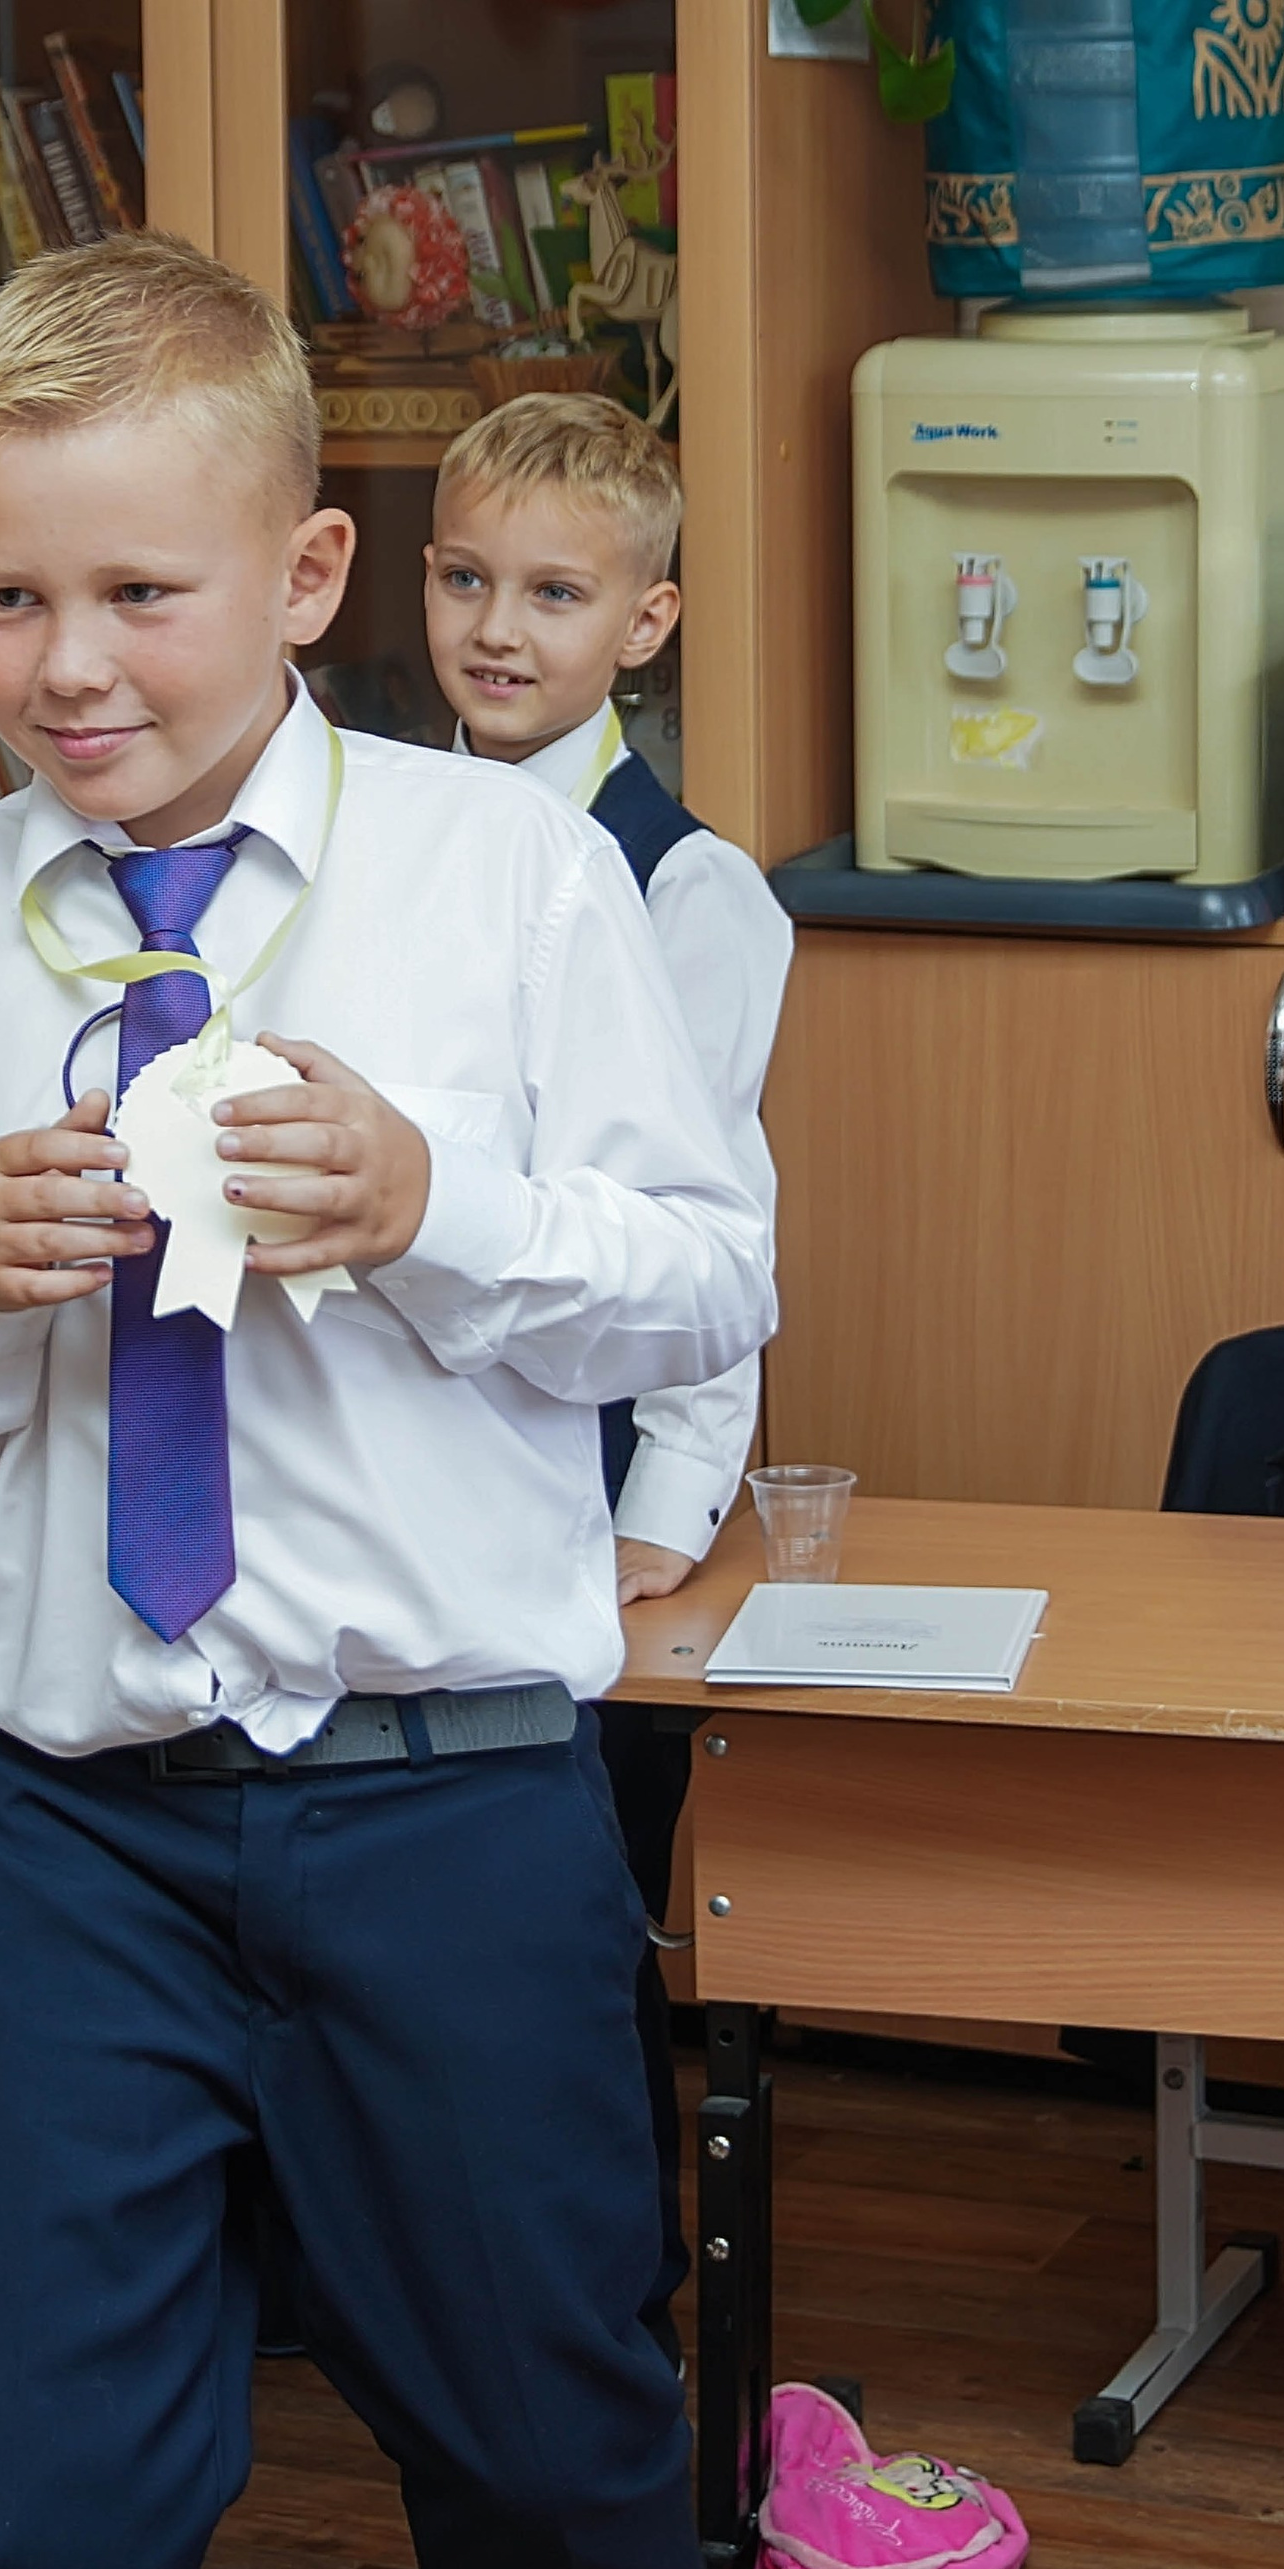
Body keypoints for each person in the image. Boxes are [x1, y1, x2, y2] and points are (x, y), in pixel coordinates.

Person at [0, 234, 778, 2569]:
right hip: (48, 1821)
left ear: (310, 577)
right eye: (3, 595)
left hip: (438, 1807)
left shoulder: (507, 886)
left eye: (138, 593)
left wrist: (438, 1207)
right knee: (42, 2511)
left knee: (554, 2450)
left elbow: (706, 1277)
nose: (65, 664)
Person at [425, 394, 793, 2346]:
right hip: (401, 1434)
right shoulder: (386, 835)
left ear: (642, 622)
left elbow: (710, 1234)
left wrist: (660, 1511)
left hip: (570, 1460)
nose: (498, 627)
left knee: (561, 1898)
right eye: (464, 577)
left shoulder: (684, 886)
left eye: (552, 592)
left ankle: (600, 2286)